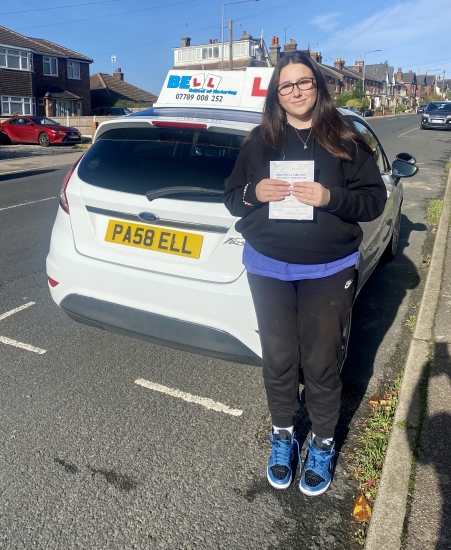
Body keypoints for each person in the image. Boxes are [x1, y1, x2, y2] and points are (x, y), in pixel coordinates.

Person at [223, 51, 387, 496]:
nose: (295, 92)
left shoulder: (346, 140)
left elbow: (374, 202)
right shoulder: (259, 141)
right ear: (277, 94)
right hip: (268, 265)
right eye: (286, 86)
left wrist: (331, 197)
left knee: (320, 362)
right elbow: (231, 198)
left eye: (304, 83)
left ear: (318, 86)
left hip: (328, 269)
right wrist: (253, 193)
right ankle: (283, 436)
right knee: (278, 359)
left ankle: (322, 442)